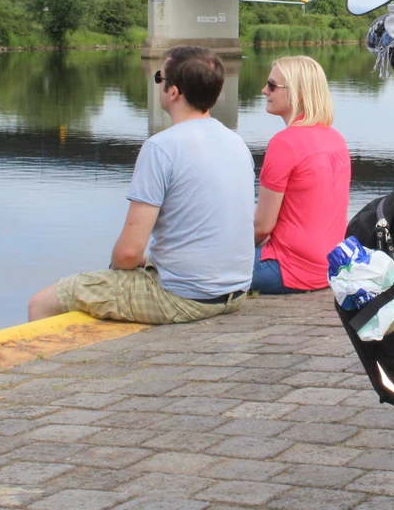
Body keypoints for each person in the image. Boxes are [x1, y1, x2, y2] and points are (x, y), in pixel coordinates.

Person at [27, 45, 255, 323]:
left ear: (173, 92)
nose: (158, 82)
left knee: (42, 302)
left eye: (160, 77)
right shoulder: (236, 143)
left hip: (186, 297)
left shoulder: (161, 147)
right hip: (235, 291)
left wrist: (116, 273)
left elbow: (128, 253)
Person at [252, 56, 351, 294]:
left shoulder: (284, 143)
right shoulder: (337, 138)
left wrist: (230, 251)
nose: (264, 90)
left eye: (272, 85)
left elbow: (262, 227)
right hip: (330, 268)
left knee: (201, 263)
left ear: (298, 94)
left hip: (289, 269)